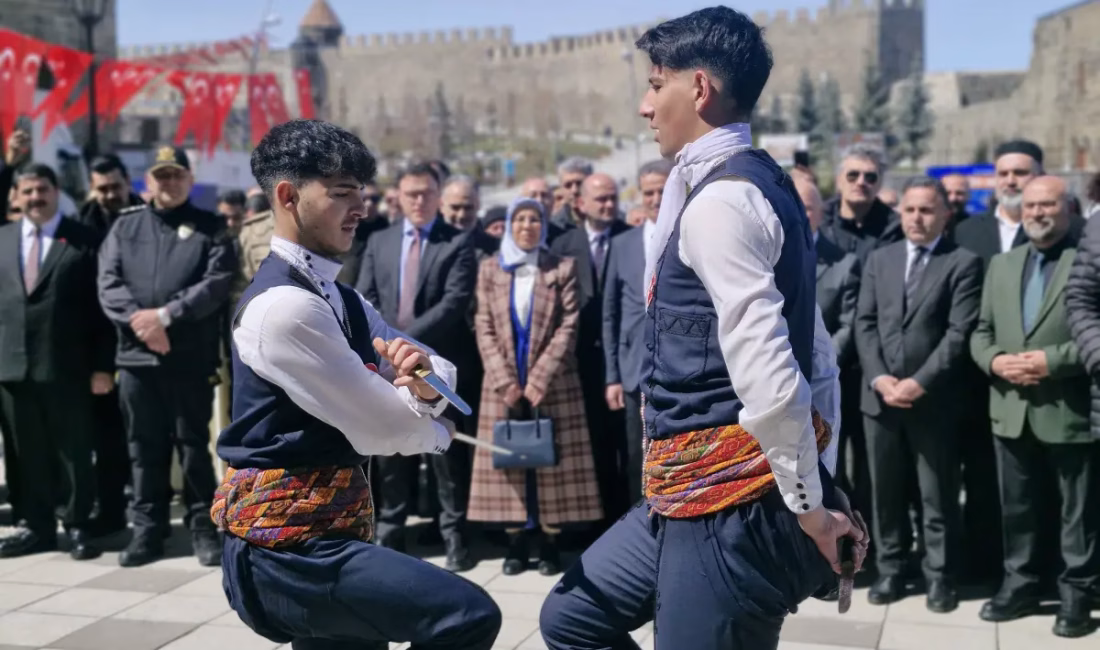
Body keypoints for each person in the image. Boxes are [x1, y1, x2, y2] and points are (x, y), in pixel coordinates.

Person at [539, 8, 867, 648]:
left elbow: (779, 380)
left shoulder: (724, 200)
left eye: (655, 83)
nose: (644, 104)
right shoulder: (743, 182)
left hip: (736, 509)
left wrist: (808, 505)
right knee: (573, 618)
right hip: (682, 492)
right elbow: (818, 350)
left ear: (698, 88)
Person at [212, 118, 500, 650]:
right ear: (288, 196)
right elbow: (384, 428)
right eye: (343, 194)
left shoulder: (339, 297)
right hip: (286, 551)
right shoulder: (286, 307)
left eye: (361, 194)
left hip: (332, 532)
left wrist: (426, 389)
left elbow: (433, 369)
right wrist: (432, 419)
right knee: (467, 614)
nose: (360, 209)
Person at [971, 176, 1097, 638]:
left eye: (1048, 204)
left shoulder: (1086, 261)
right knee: (1017, 508)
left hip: (1069, 408)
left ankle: (1077, 597)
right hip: (1011, 406)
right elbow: (979, 331)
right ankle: (1019, 586)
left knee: (1077, 515)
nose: (1038, 213)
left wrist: (1054, 361)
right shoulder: (1003, 265)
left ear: (1069, 209)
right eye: (1031, 206)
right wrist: (996, 360)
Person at [97, 145, 234, 567]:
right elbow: (108, 282)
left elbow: (215, 283)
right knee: (144, 447)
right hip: (137, 360)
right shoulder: (125, 227)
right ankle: (147, 531)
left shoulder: (211, 228)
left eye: (177, 175)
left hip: (187, 359)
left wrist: (165, 317)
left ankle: (202, 529)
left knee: (192, 446)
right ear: (148, 183)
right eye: (161, 176)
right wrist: (143, 325)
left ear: (190, 181)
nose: (169, 183)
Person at [854, 177, 983, 611]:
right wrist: (879, 377)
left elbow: (958, 332)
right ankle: (891, 569)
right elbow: (865, 324)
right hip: (881, 400)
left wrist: (919, 382)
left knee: (937, 494)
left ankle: (939, 575)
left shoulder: (962, 262)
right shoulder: (880, 259)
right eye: (909, 209)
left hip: (934, 402)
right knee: (885, 493)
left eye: (927, 210)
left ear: (945, 215)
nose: (916, 218)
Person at [468, 197, 603, 575]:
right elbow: (484, 326)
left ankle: (548, 543)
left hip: (553, 383)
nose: (527, 225)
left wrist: (541, 377)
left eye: (534, 219)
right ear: (510, 225)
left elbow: (568, 325)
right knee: (510, 464)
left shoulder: (560, 267)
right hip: (504, 384)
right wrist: (504, 381)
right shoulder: (491, 268)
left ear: (543, 226)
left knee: (550, 465)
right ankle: (516, 544)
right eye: (520, 219)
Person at [355, 162, 479, 571]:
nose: (419, 201)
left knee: (446, 455)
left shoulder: (456, 242)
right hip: (391, 367)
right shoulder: (380, 241)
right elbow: (367, 296)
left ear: (438, 195)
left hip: (439, 367)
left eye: (427, 193)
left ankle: (455, 536)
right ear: (400, 196)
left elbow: (453, 301)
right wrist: (391, 347)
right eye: (411, 194)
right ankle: (391, 531)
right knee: (393, 453)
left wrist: (403, 342)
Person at [0, 164, 113, 560]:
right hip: (11, 369)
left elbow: (101, 311)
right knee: (24, 453)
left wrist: (102, 366)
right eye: (27, 191)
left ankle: (78, 524)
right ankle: (37, 526)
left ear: (56, 191)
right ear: (15, 195)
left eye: (41, 190)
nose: (35, 197)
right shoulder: (2, 239)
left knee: (73, 452)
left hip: (68, 368)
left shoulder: (84, 240)